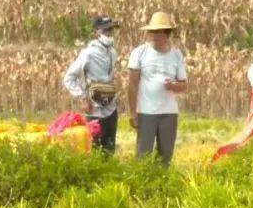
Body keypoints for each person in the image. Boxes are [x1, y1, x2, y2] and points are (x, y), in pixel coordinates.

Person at [127, 11, 187, 166]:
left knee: (165, 156)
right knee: (143, 155)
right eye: (153, 31)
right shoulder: (140, 53)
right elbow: (132, 83)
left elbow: (183, 85)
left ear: (167, 34)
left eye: (160, 32)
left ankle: (162, 186)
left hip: (169, 112)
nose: (156, 35)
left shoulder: (176, 55)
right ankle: (142, 187)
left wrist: (173, 86)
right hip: (147, 112)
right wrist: (133, 112)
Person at [63, 16, 120, 154]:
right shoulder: (88, 53)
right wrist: (83, 97)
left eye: (110, 30)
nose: (109, 33)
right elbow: (69, 78)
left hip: (111, 107)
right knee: (94, 150)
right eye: (105, 30)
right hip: (94, 109)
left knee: (109, 150)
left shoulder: (113, 52)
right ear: (96, 32)